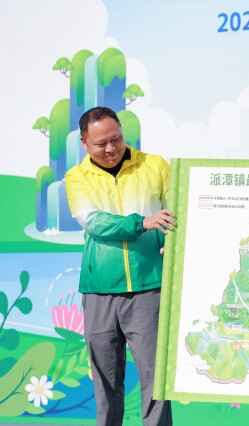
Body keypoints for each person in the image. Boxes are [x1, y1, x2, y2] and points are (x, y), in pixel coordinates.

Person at [66, 106, 175, 425]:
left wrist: (174, 242)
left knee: (156, 381)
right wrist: (142, 222)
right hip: (100, 290)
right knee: (105, 382)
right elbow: (94, 222)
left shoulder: (155, 165)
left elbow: (177, 211)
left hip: (149, 286)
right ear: (84, 143)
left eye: (116, 139)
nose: (111, 148)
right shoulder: (76, 177)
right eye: (101, 143)